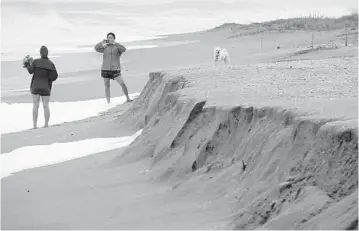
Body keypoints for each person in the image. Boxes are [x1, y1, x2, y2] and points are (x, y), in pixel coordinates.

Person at [24, 46, 58, 129]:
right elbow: (54, 77)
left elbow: (30, 71)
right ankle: (46, 125)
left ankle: (35, 126)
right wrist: (48, 77)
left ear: (40, 53)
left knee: (35, 106)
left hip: (35, 87)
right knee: (46, 105)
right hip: (46, 87)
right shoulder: (51, 64)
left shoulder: (36, 62)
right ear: (47, 53)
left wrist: (27, 64)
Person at [94, 32, 132, 104]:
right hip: (105, 69)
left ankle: (128, 98)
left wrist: (116, 44)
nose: (110, 39)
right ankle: (108, 102)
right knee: (107, 86)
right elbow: (96, 48)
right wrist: (102, 42)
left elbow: (123, 49)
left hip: (115, 69)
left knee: (122, 84)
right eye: (109, 38)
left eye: (111, 38)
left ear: (114, 39)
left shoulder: (117, 47)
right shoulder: (105, 47)